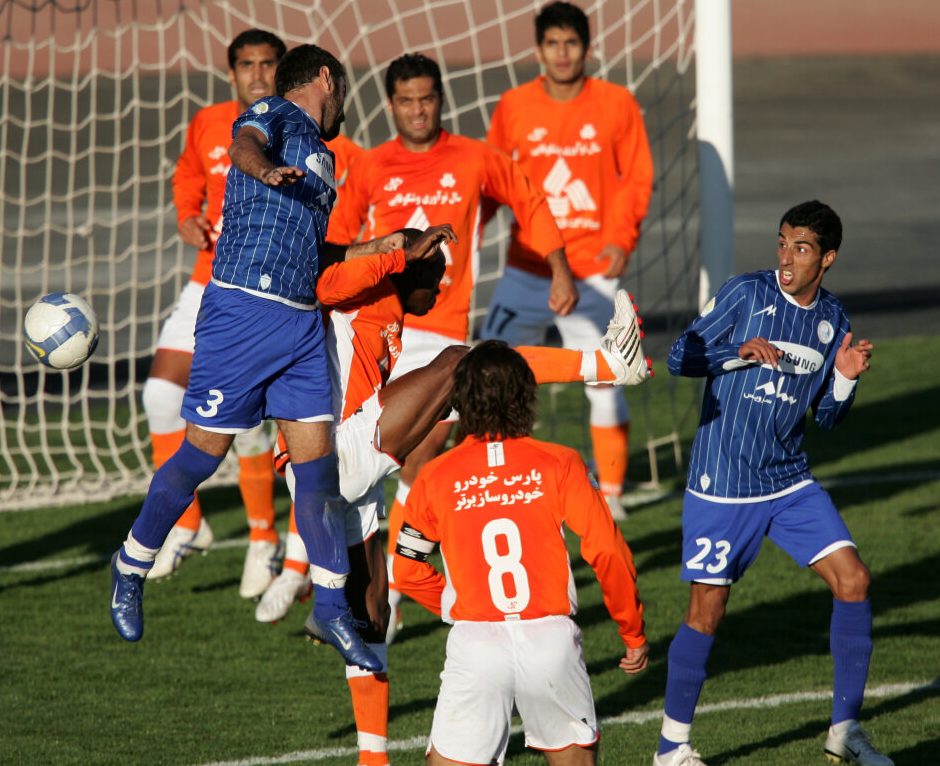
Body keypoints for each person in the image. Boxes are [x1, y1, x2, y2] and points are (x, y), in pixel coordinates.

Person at [262, 226, 650, 766]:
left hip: (350, 471)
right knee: (462, 363)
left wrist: (461, 605)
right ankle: (607, 365)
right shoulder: (361, 289)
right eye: (436, 277)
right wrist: (396, 253)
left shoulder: (389, 316)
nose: (441, 290)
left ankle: (372, 758)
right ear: (409, 268)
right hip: (332, 450)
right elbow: (325, 284)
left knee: (372, 614)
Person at [109, 44, 383, 672]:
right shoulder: (275, 113)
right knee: (202, 455)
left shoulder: (325, 160)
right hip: (243, 312)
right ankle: (131, 564)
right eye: (342, 90)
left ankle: (333, 609)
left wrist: (383, 245)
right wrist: (264, 170)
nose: (345, 104)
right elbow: (244, 146)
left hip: (302, 322)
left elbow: (317, 249)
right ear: (325, 78)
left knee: (317, 475)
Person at [327, 51, 578, 634]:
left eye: (427, 98)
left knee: (420, 456)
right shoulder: (370, 166)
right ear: (391, 105)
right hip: (376, 333)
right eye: (406, 100)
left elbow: (530, 200)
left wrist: (559, 268)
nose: (418, 110)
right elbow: (337, 241)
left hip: (442, 331)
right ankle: (330, 577)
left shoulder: (475, 159)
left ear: (442, 99)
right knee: (350, 468)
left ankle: (392, 584)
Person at [654, 201, 889, 766]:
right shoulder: (745, 293)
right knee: (707, 611)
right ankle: (670, 749)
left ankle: (845, 731)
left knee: (854, 580)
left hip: (788, 481)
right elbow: (679, 356)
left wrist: (844, 379)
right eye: (783, 243)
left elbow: (827, 418)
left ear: (827, 259)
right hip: (723, 483)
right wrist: (735, 353)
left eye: (801, 248)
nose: (786, 257)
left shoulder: (832, 317)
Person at [149, 29, 364, 594]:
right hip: (217, 280)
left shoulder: (312, 140)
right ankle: (186, 527)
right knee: (161, 398)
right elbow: (190, 175)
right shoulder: (216, 123)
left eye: (269, 63)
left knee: (266, 436)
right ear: (232, 73)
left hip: (285, 291)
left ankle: (265, 541)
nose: (258, 74)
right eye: (247, 64)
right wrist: (186, 214)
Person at [392, 340, 649, 766]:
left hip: (475, 644)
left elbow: (406, 571)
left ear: (458, 401)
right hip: (551, 641)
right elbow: (607, 551)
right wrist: (632, 631)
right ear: (527, 395)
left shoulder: (433, 476)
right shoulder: (561, 462)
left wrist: (463, 605)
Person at [481, 1, 654, 521]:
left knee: (607, 378)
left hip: (594, 271)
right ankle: (498, 479)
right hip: (525, 267)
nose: (562, 53)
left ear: (587, 48)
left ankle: (612, 497)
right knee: (491, 372)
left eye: (571, 43)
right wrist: (465, 239)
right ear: (538, 50)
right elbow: (492, 180)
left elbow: (637, 177)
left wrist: (621, 239)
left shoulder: (616, 103)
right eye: (552, 44)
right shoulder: (514, 106)